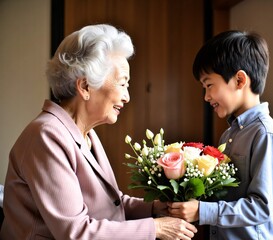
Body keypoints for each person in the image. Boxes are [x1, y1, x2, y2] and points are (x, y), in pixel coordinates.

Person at [0, 24, 197, 240]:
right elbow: (76, 233)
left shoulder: (84, 132)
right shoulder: (46, 135)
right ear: (85, 87)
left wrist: (155, 208)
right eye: (123, 84)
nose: (127, 97)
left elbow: (110, 203)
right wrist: (155, 228)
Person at [167, 30, 273, 239]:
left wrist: (202, 211)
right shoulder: (228, 135)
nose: (206, 96)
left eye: (209, 85)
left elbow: (261, 207)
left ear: (239, 80)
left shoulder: (266, 135)